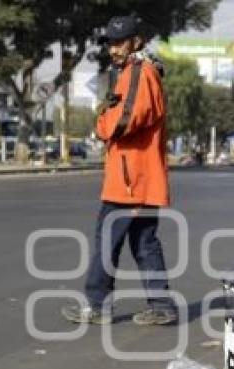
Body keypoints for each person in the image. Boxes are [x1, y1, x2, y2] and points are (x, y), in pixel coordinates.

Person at [62, 14, 176, 326]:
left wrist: (101, 124)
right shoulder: (140, 70)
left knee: (106, 242)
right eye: (111, 43)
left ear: (136, 41)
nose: (114, 49)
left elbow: (124, 120)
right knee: (144, 243)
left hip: (130, 181)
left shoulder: (138, 71)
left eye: (119, 42)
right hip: (141, 178)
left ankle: (97, 304)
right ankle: (162, 304)